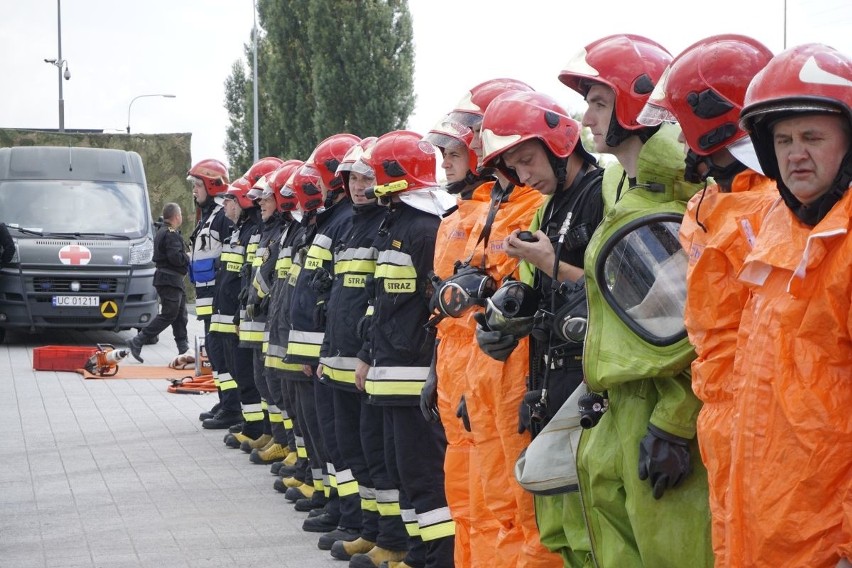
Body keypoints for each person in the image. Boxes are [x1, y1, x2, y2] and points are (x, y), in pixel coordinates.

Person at [559, 34, 712, 567]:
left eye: (599, 102)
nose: (587, 117)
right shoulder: (622, 187)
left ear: (636, 101)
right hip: (623, 404)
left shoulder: (681, 187)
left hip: (664, 407)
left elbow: (711, 327)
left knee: (674, 551)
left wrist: (674, 419)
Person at [636, 35, 776, 565]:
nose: (674, 137)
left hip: (768, 421)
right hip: (723, 418)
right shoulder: (709, 204)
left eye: (677, 122)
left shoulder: (768, 208)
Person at [728, 43, 852, 568]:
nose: (795, 153)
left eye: (812, 137)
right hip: (764, 515)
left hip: (826, 532)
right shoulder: (777, 232)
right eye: (782, 140)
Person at [477, 91, 603, 568]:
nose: (523, 176)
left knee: (593, 527)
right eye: (514, 168)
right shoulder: (546, 208)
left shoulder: (601, 194)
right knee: (560, 530)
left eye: (527, 161)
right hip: (548, 381)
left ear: (560, 143)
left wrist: (548, 260)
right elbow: (533, 290)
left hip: (587, 386)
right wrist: (503, 322)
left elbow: (619, 289)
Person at [354, 130, 458, 568]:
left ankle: (438, 559)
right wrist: (367, 353)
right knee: (405, 474)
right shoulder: (395, 224)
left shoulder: (426, 228)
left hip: (415, 377)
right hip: (391, 373)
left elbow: (438, 309)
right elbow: (382, 304)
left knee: (425, 476)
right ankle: (418, 554)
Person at [317, 138, 410, 562]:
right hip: (342, 360)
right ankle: (371, 529)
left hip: (369, 363)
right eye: (353, 177)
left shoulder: (384, 226)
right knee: (357, 452)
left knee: (379, 457)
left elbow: (379, 301)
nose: (358, 186)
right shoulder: (353, 223)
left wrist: (367, 354)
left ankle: (389, 536)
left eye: (366, 177)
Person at [186, 159, 236, 427]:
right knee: (215, 355)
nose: (194, 190)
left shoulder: (222, 218)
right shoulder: (209, 217)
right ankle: (224, 401)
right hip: (207, 303)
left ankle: (232, 407)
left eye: (197, 185)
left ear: (212, 184)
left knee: (223, 354)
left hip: (218, 302)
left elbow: (230, 260)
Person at [127, 203, 189, 362]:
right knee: (170, 313)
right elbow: (175, 258)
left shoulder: (163, 231)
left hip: (171, 280)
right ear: (176, 216)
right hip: (170, 279)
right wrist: (188, 257)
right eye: (180, 214)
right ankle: (139, 340)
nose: (181, 217)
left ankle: (184, 348)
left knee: (180, 314)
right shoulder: (171, 233)